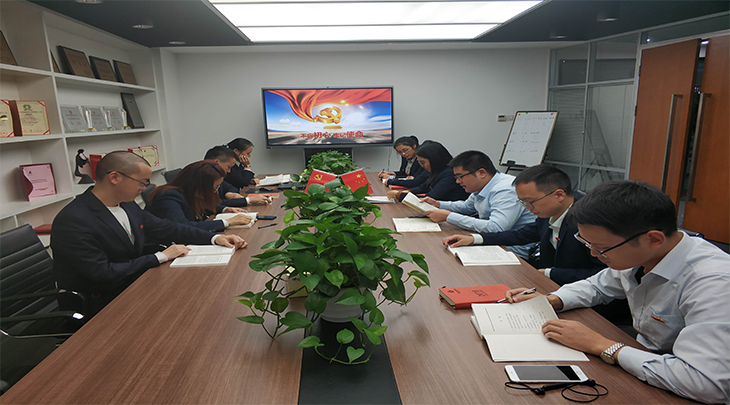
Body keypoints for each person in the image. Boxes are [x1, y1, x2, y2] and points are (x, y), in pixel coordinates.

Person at [503, 180, 730, 404]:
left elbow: (707, 383)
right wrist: (553, 299)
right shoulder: (642, 254)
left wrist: (602, 345)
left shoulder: (713, 283)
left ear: (653, 239)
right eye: (589, 245)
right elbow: (597, 285)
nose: (594, 255)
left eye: (601, 248)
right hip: (645, 359)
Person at [51, 151, 246, 318]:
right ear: (115, 178)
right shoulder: (74, 219)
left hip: (133, 286)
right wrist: (159, 257)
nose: (144, 188)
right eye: (142, 182)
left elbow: (167, 227)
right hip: (102, 303)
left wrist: (214, 238)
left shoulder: (127, 205)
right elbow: (102, 273)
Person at [442, 164, 602, 284]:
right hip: (549, 284)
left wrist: (549, 273)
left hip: (585, 299)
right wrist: (474, 239)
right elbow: (520, 235)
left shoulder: (589, 223)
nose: (526, 207)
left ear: (559, 195)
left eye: (530, 201)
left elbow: (602, 274)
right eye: (522, 202)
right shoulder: (548, 213)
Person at [420, 151, 535, 258]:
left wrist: (448, 216)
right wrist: (438, 204)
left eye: (460, 177)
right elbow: (467, 207)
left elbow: (496, 227)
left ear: (481, 173)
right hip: (492, 240)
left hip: (513, 249)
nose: (457, 181)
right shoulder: (482, 186)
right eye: (456, 177)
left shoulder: (505, 190)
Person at [146, 161, 253, 232]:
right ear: (198, 184)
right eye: (214, 188)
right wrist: (227, 222)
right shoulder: (167, 197)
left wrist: (225, 209)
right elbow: (183, 227)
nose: (215, 192)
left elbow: (204, 205)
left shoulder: (188, 191)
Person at [386, 141, 469, 202]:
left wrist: (399, 195)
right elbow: (424, 187)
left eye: (423, 163)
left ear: (435, 160)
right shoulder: (437, 170)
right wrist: (409, 191)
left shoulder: (450, 174)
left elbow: (431, 197)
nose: (421, 166)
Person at [204, 146, 271, 207]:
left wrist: (231, 194)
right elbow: (212, 204)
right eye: (228, 167)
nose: (229, 171)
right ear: (216, 162)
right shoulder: (203, 178)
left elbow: (230, 187)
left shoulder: (217, 176)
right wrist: (247, 200)